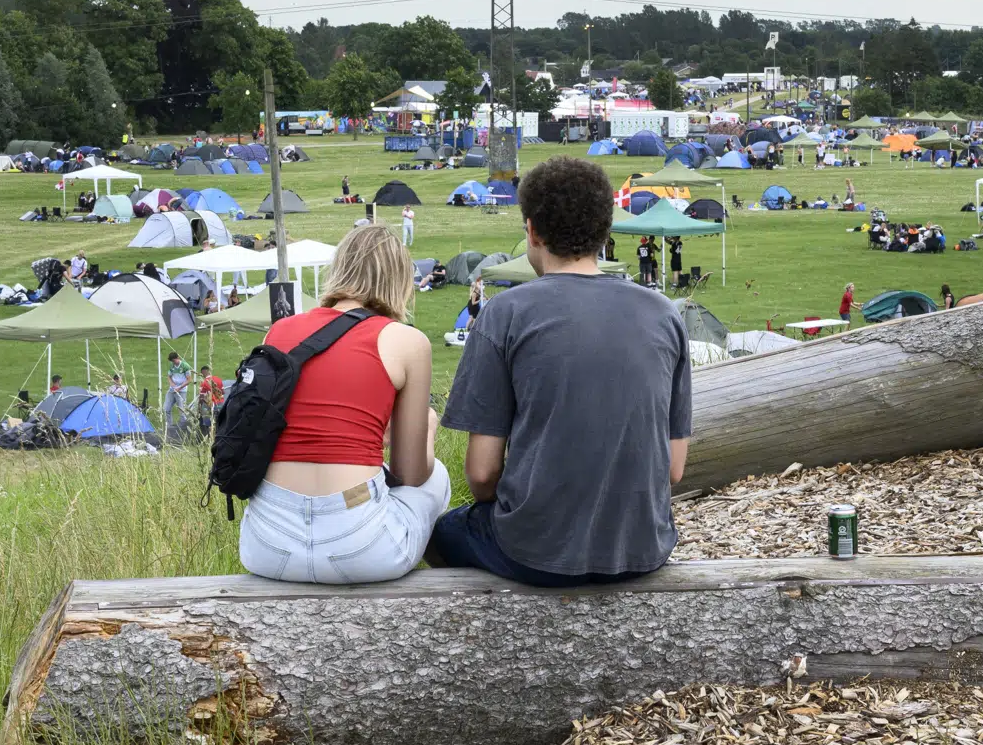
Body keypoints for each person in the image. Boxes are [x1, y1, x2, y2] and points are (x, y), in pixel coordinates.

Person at [430, 156, 691, 587]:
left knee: (441, 532)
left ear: (532, 230)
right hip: (643, 547)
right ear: (605, 232)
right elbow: (673, 469)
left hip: (534, 552)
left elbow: (480, 475)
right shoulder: (664, 314)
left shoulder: (504, 314)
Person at [239, 224, 450, 585]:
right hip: (361, 546)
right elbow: (410, 474)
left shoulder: (279, 331)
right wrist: (427, 425)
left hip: (266, 545)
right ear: (399, 279)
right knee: (438, 478)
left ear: (339, 268)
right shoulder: (407, 341)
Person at [163, 351, 193, 431]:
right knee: (166, 408)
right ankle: (169, 427)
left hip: (182, 390)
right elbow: (169, 376)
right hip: (172, 390)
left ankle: (183, 428)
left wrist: (179, 388)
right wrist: (172, 384)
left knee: (181, 410)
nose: (173, 362)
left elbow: (189, 380)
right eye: (172, 361)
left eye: (174, 360)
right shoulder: (171, 365)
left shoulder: (185, 366)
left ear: (177, 358)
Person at [197, 365, 225, 437]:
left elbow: (201, 397)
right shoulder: (218, 379)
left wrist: (199, 407)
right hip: (220, 404)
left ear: (203, 373)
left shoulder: (204, 383)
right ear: (209, 371)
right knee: (219, 422)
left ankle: (209, 438)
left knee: (207, 423)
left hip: (209, 405)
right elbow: (223, 392)